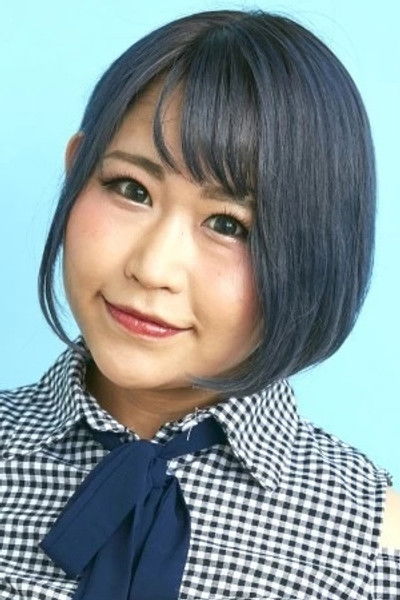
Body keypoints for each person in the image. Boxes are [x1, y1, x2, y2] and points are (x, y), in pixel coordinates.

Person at [0, 8, 399, 600]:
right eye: (131, 189)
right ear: (76, 171)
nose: (152, 268)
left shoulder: (374, 536)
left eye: (228, 225)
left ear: (313, 257)